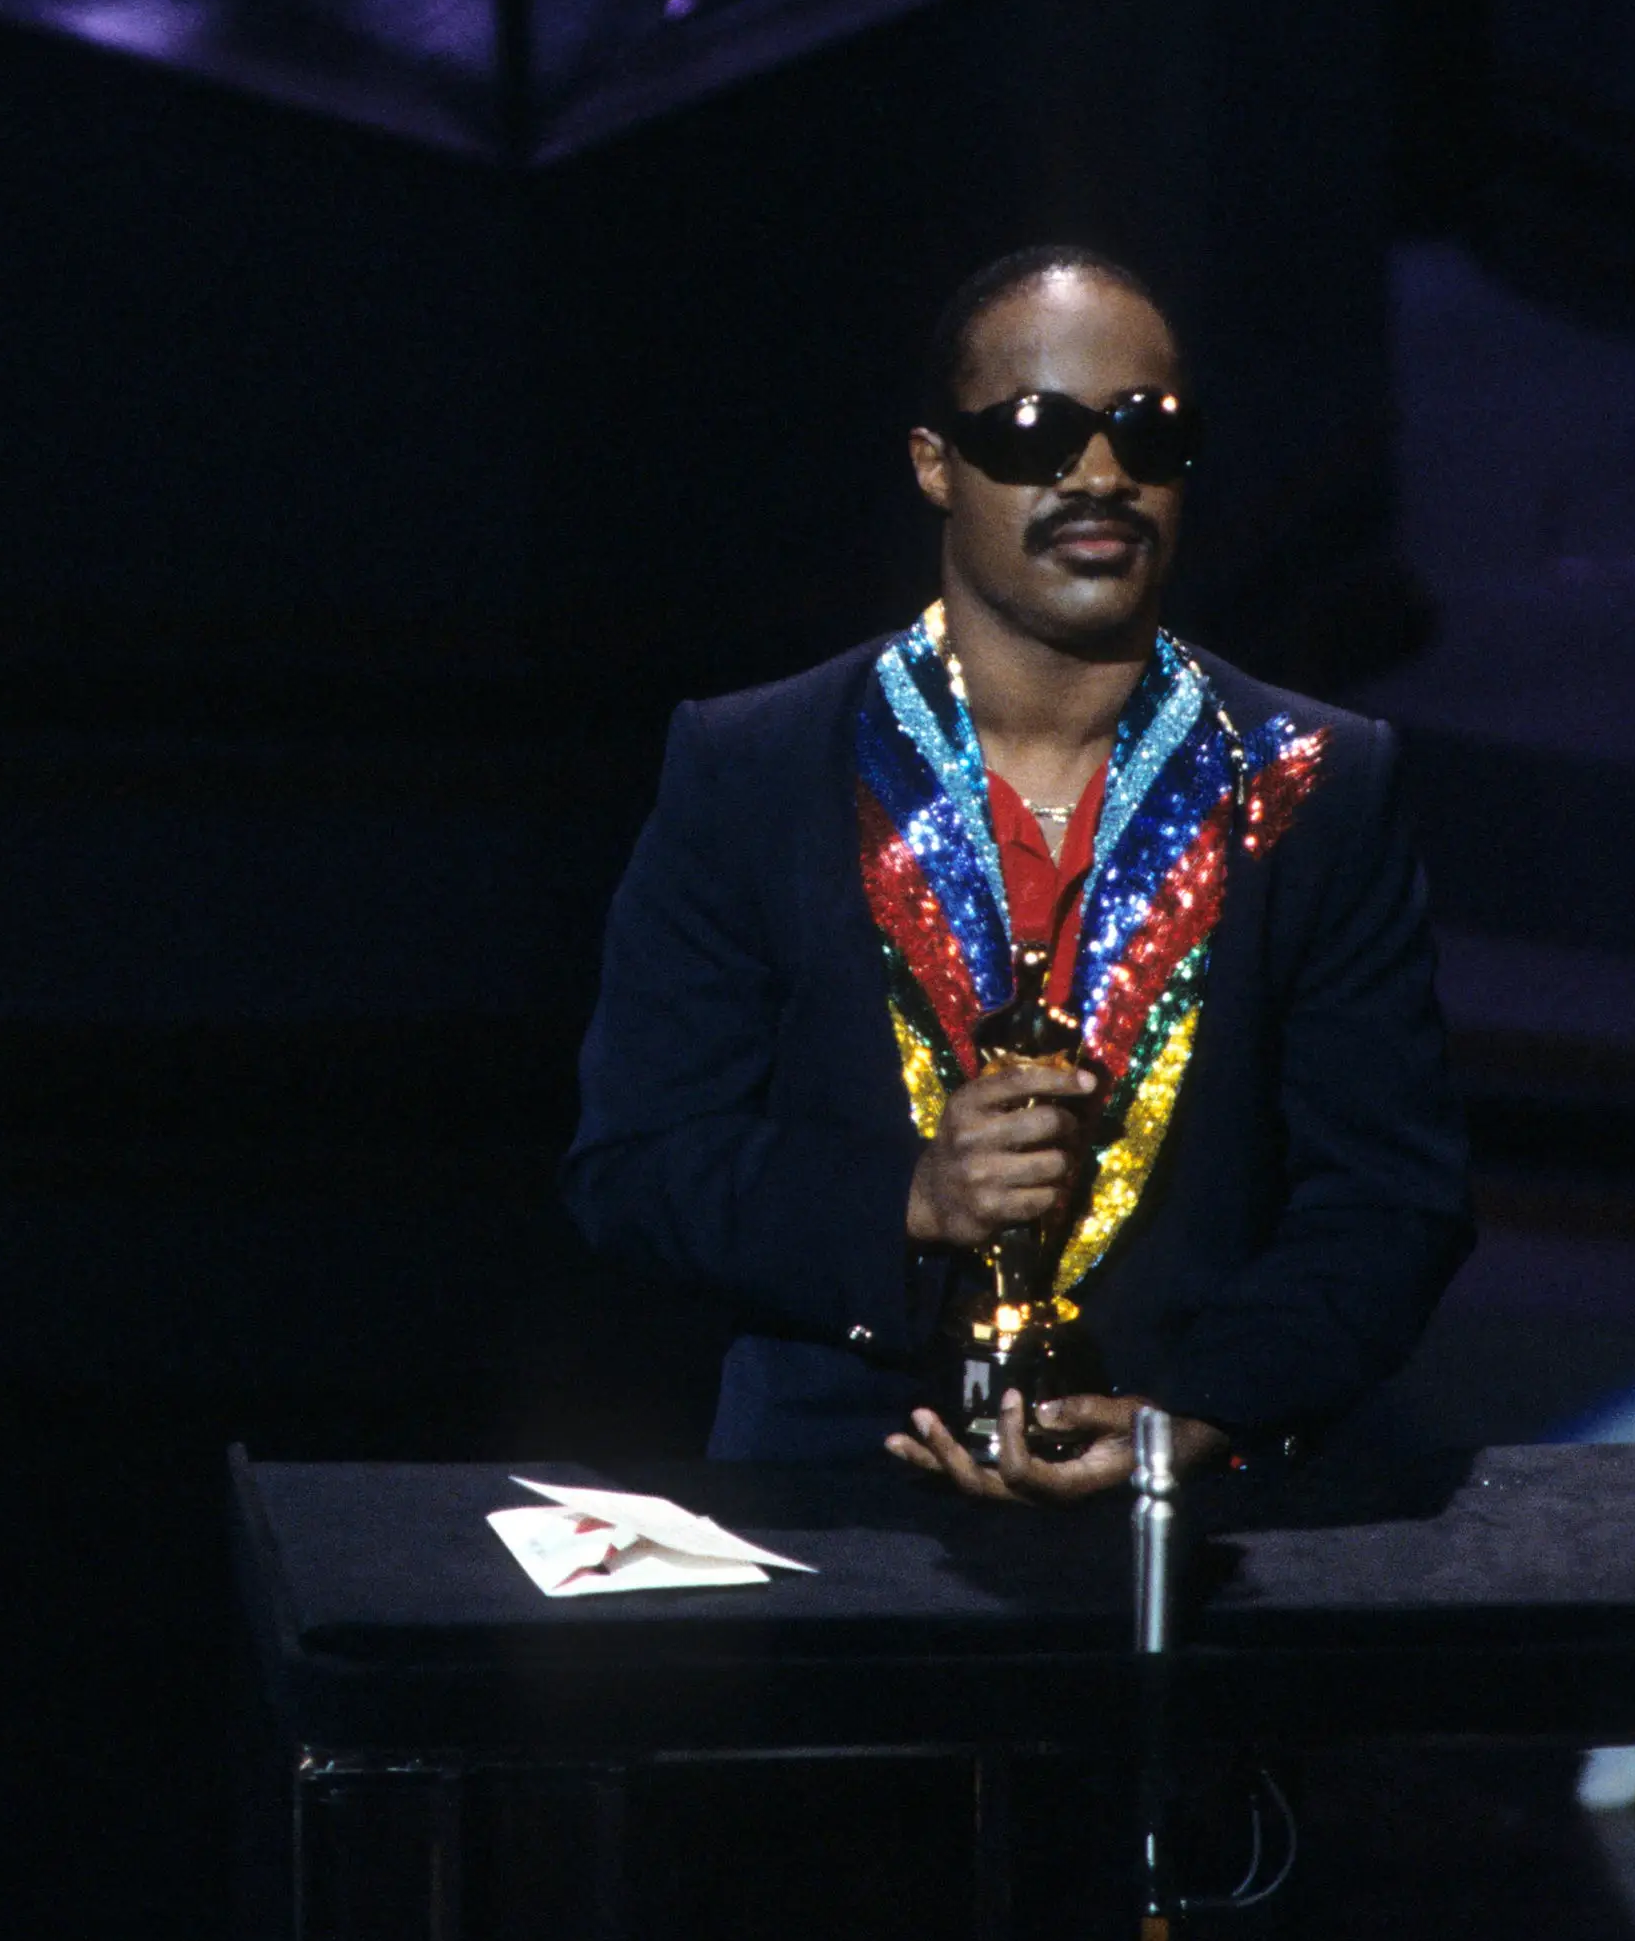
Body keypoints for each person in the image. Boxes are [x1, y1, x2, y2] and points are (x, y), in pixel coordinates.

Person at [564, 244, 1471, 1502]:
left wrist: (1200, 1415)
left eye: (1146, 431)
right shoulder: (754, 767)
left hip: (1190, 1520)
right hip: (832, 1514)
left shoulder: (1313, 782)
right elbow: (634, 1168)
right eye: (1037, 430)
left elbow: (1390, 1202)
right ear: (934, 462)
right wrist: (911, 1200)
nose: (1099, 475)